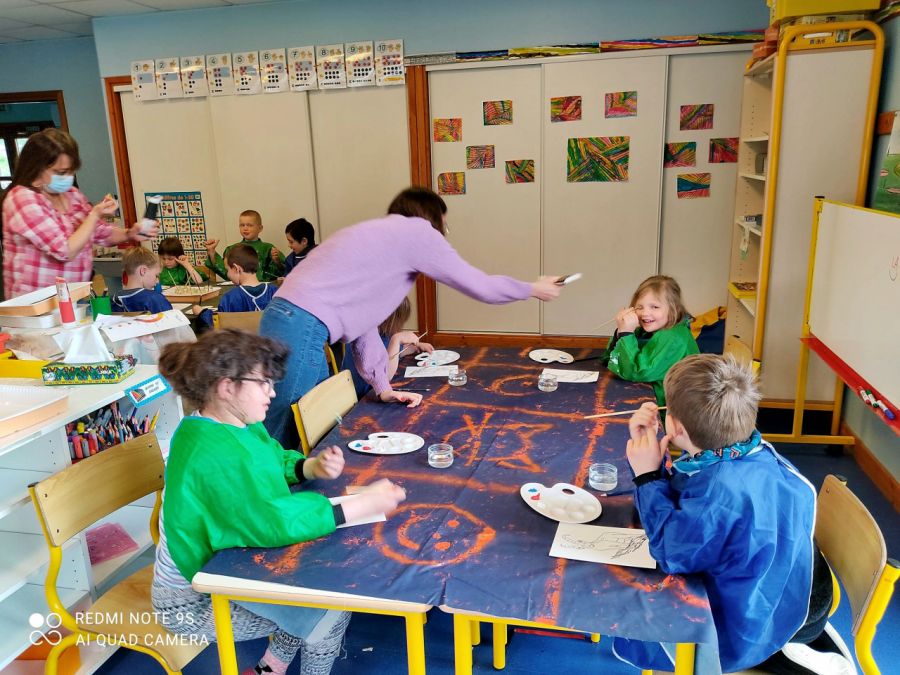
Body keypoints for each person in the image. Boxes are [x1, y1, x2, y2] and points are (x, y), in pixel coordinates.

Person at [153, 330, 407, 675]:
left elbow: (270, 458)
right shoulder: (211, 453)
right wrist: (355, 507)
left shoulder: (233, 423)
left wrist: (308, 467)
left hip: (227, 564)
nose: (272, 392)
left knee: (321, 593)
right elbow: (270, 521)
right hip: (192, 601)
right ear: (227, 387)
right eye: (263, 383)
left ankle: (269, 668)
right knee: (327, 609)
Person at [260, 186, 565, 447]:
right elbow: (480, 286)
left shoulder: (373, 236)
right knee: (288, 427)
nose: (443, 233)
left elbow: (363, 326)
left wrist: (383, 388)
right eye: (443, 224)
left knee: (313, 422)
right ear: (431, 217)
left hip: (286, 317)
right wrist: (532, 288)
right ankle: (267, 494)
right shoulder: (417, 231)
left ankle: (288, 489)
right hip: (302, 323)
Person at [612, 354, 824, 673]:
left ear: (676, 427)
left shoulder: (716, 493)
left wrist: (647, 476)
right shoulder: (755, 451)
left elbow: (671, 552)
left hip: (750, 625)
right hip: (794, 593)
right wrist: (656, 463)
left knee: (624, 597)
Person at [1, 128, 156, 299]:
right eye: (61, 173)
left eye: (71, 171)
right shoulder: (22, 199)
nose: (68, 177)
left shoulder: (72, 195)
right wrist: (94, 214)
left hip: (71, 299)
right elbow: (64, 250)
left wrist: (129, 233)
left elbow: (101, 232)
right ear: (36, 168)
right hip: (35, 305)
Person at [600, 274, 698, 407]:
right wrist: (620, 333)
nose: (645, 313)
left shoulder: (674, 337)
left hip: (672, 411)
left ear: (674, 309)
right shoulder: (647, 330)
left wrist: (626, 334)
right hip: (652, 397)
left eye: (655, 307)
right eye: (640, 307)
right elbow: (610, 359)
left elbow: (637, 372)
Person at [344, 297, 434, 397]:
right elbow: (386, 376)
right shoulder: (367, 337)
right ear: (390, 319)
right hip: (362, 395)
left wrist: (417, 346)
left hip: (373, 391)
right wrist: (397, 339)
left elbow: (397, 352)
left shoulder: (384, 334)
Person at [193, 244, 277, 330]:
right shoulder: (275, 291)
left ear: (237, 269)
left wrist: (202, 312)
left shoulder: (230, 298)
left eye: (227, 270)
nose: (227, 274)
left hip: (241, 338)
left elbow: (218, 324)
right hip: (271, 338)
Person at [205, 210, 284, 283]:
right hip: (239, 288)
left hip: (263, 288)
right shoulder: (232, 249)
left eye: (250, 225)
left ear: (260, 228)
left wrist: (277, 261)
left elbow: (281, 273)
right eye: (242, 225)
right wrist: (212, 252)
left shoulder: (268, 248)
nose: (245, 228)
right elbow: (225, 272)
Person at [111, 247, 172, 313]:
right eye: (156, 276)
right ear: (143, 271)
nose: (157, 281)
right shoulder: (154, 298)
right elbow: (171, 317)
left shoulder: (113, 300)